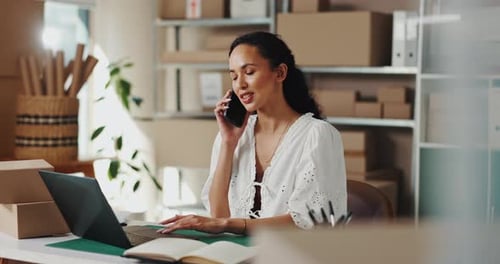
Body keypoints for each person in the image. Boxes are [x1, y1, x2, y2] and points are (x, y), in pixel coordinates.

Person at [159, 31, 346, 234]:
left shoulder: (317, 135)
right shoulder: (235, 136)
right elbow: (218, 217)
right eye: (234, 76)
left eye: (249, 72)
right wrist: (228, 144)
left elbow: (311, 222)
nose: (240, 85)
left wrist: (228, 225)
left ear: (280, 73)